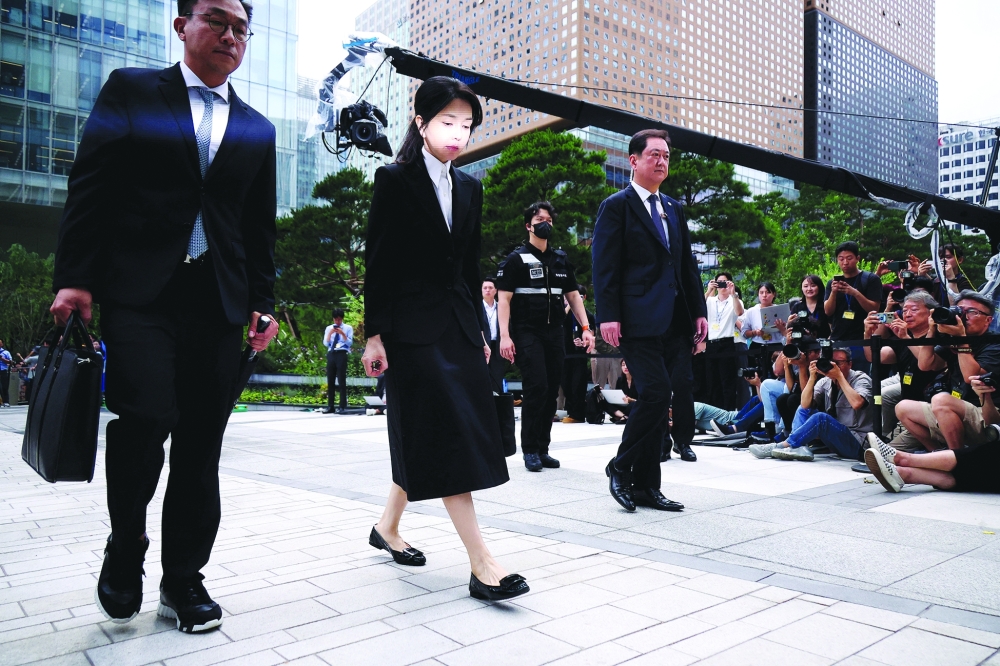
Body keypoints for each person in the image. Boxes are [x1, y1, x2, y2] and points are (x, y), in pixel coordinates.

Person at [48, 0, 280, 633]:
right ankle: (127, 547)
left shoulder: (258, 127)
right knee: (144, 419)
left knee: (201, 449)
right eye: (217, 20)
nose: (230, 35)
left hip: (220, 302)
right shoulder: (132, 90)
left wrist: (265, 301)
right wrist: (75, 279)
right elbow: (90, 184)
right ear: (183, 26)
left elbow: (259, 226)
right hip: (141, 293)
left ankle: (184, 580)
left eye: (241, 28)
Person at [361, 76, 528, 602]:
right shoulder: (394, 179)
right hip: (409, 334)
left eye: (467, 124)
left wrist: (480, 331)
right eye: (447, 122)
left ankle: (387, 527)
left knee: (432, 431)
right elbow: (379, 264)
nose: (459, 133)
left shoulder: (471, 187)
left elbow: (467, 269)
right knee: (449, 434)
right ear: (422, 123)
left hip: (456, 329)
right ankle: (483, 564)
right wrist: (374, 337)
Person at [591, 128, 708, 512]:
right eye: (654, 154)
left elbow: (687, 266)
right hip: (636, 320)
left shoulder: (674, 208)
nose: (661, 161)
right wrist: (607, 316)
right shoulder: (617, 205)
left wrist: (699, 312)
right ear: (634, 160)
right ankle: (620, 467)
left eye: (666, 156)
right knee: (656, 394)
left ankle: (647, 487)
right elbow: (604, 266)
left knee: (658, 400)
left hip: (675, 321)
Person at [497, 202, 595, 472]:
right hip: (527, 332)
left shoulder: (560, 259)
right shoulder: (516, 260)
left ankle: (543, 448)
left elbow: (573, 296)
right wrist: (505, 336)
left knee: (552, 390)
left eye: (549, 220)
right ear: (528, 225)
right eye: (540, 219)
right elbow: (503, 300)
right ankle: (529, 450)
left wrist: (586, 329)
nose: (545, 224)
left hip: (555, 333)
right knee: (536, 387)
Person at [888, 291, 1000, 452]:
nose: (963, 316)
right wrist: (932, 331)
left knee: (941, 400)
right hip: (953, 411)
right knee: (903, 407)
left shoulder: (994, 343)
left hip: (986, 414)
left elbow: (971, 377)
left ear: (988, 320)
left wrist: (962, 339)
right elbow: (926, 365)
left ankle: (958, 459)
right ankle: (938, 453)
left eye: (971, 312)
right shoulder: (952, 339)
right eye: (960, 310)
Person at [865, 376, 1000, 493]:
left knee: (989, 457)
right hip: (956, 417)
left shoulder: (987, 353)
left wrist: (965, 350)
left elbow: (993, 424)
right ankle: (906, 472)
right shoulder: (948, 352)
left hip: (985, 427)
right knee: (904, 407)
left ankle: (904, 463)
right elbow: (926, 363)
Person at [751, 348, 872, 462]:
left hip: (858, 444)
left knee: (821, 418)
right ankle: (797, 447)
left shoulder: (860, 378)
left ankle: (782, 445)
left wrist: (839, 376)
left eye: (839, 363)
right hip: (837, 439)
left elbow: (857, 403)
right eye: (832, 362)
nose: (835, 366)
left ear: (850, 364)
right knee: (804, 409)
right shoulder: (826, 381)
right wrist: (812, 377)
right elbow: (804, 404)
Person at [862, 290, 943, 440]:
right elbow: (875, 357)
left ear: (931, 313)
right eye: (905, 310)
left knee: (893, 456)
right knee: (882, 451)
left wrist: (905, 337)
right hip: (909, 412)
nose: (908, 314)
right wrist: (868, 334)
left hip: (935, 413)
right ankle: (886, 436)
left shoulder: (939, 336)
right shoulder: (901, 337)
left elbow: (927, 364)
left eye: (914, 309)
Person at [824, 241, 882, 374]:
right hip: (838, 339)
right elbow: (828, 311)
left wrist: (854, 293)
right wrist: (833, 292)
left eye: (849, 258)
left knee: (862, 378)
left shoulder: (870, 279)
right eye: (841, 259)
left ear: (857, 258)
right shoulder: (831, 283)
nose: (845, 262)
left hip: (861, 341)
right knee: (836, 378)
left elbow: (874, 309)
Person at [704, 272, 744, 410]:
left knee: (727, 381)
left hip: (727, 343)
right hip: (711, 343)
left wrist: (733, 294)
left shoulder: (734, 300)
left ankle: (728, 413)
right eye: (719, 282)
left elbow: (739, 312)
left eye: (725, 282)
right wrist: (709, 290)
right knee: (712, 381)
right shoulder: (710, 300)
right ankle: (714, 413)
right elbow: (699, 308)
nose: (722, 285)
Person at [560, 286, 592, 424]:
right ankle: (570, 410)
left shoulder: (587, 315)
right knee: (565, 383)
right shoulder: (563, 313)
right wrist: (568, 306)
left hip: (579, 355)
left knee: (578, 384)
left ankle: (577, 413)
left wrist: (584, 342)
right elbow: (559, 321)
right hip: (564, 354)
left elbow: (593, 333)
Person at [322, 308, 353, 414]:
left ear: (342, 319)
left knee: (341, 379)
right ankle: (330, 406)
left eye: (339, 320)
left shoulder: (348, 328)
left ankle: (342, 406)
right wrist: (330, 334)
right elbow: (326, 344)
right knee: (330, 380)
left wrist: (343, 334)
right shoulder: (328, 328)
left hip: (341, 353)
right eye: (336, 320)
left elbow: (349, 343)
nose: (337, 322)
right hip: (331, 353)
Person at [481, 277, 506, 391]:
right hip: (482, 344)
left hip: (498, 345)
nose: (487, 290)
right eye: (485, 288)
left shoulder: (501, 307)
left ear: (495, 291)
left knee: (497, 377)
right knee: (482, 376)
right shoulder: (478, 308)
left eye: (490, 288)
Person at [788, 275, 832, 339]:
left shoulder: (826, 305)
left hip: (824, 343)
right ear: (801, 288)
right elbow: (790, 330)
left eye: (813, 285)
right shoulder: (797, 307)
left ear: (819, 287)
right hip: (803, 345)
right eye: (805, 286)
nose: (809, 289)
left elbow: (832, 328)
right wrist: (789, 323)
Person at [0, 339, 11, 407]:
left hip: (3, 371)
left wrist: (2, 359)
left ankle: (6, 401)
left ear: (2, 344)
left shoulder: (6, 352)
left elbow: (10, 362)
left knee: (4, 386)